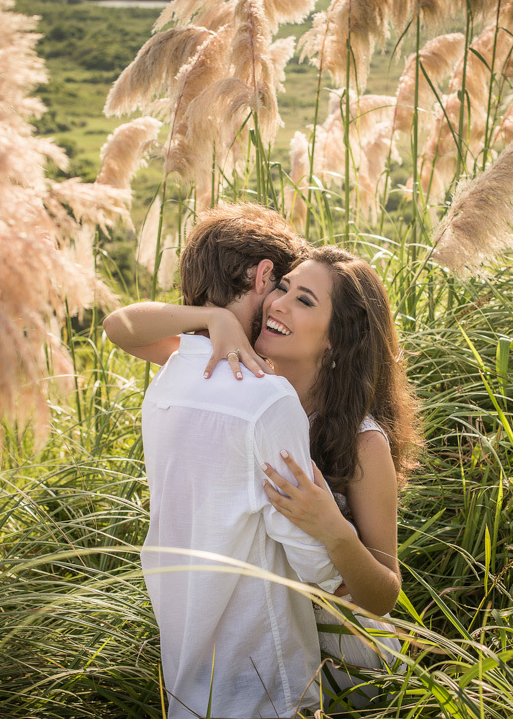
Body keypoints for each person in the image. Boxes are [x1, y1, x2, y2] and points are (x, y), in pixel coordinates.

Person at [106, 240, 421, 692]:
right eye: (283, 287)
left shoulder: (363, 442)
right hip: (263, 649)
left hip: (345, 662)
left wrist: (333, 529)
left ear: (336, 338)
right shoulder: (242, 372)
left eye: (304, 300)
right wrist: (213, 318)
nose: (278, 304)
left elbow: (383, 594)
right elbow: (120, 327)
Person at [103, 203, 341, 719]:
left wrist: (211, 318)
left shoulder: (170, 381)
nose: (279, 306)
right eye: (280, 288)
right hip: (266, 680)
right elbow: (313, 558)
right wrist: (352, 568)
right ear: (262, 275)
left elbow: (119, 326)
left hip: (188, 675)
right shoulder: (266, 398)